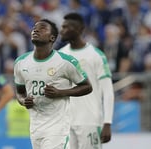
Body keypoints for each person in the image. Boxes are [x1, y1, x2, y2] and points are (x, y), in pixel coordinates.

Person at [14, 19, 93, 149]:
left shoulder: (65, 61)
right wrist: (23, 100)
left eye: (43, 28)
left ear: (52, 38)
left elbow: (87, 87)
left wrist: (61, 92)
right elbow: (20, 91)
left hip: (57, 127)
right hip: (35, 127)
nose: (36, 30)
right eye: (34, 28)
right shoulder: (21, 62)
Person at [59, 13, 114, 149]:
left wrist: (107, 122)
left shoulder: (96, 55)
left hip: (89, 120)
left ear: (79, 29)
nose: (62, 30)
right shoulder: (60, 55)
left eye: (66, 27)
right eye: (62, 27)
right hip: (65, 122)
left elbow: (107, 91)